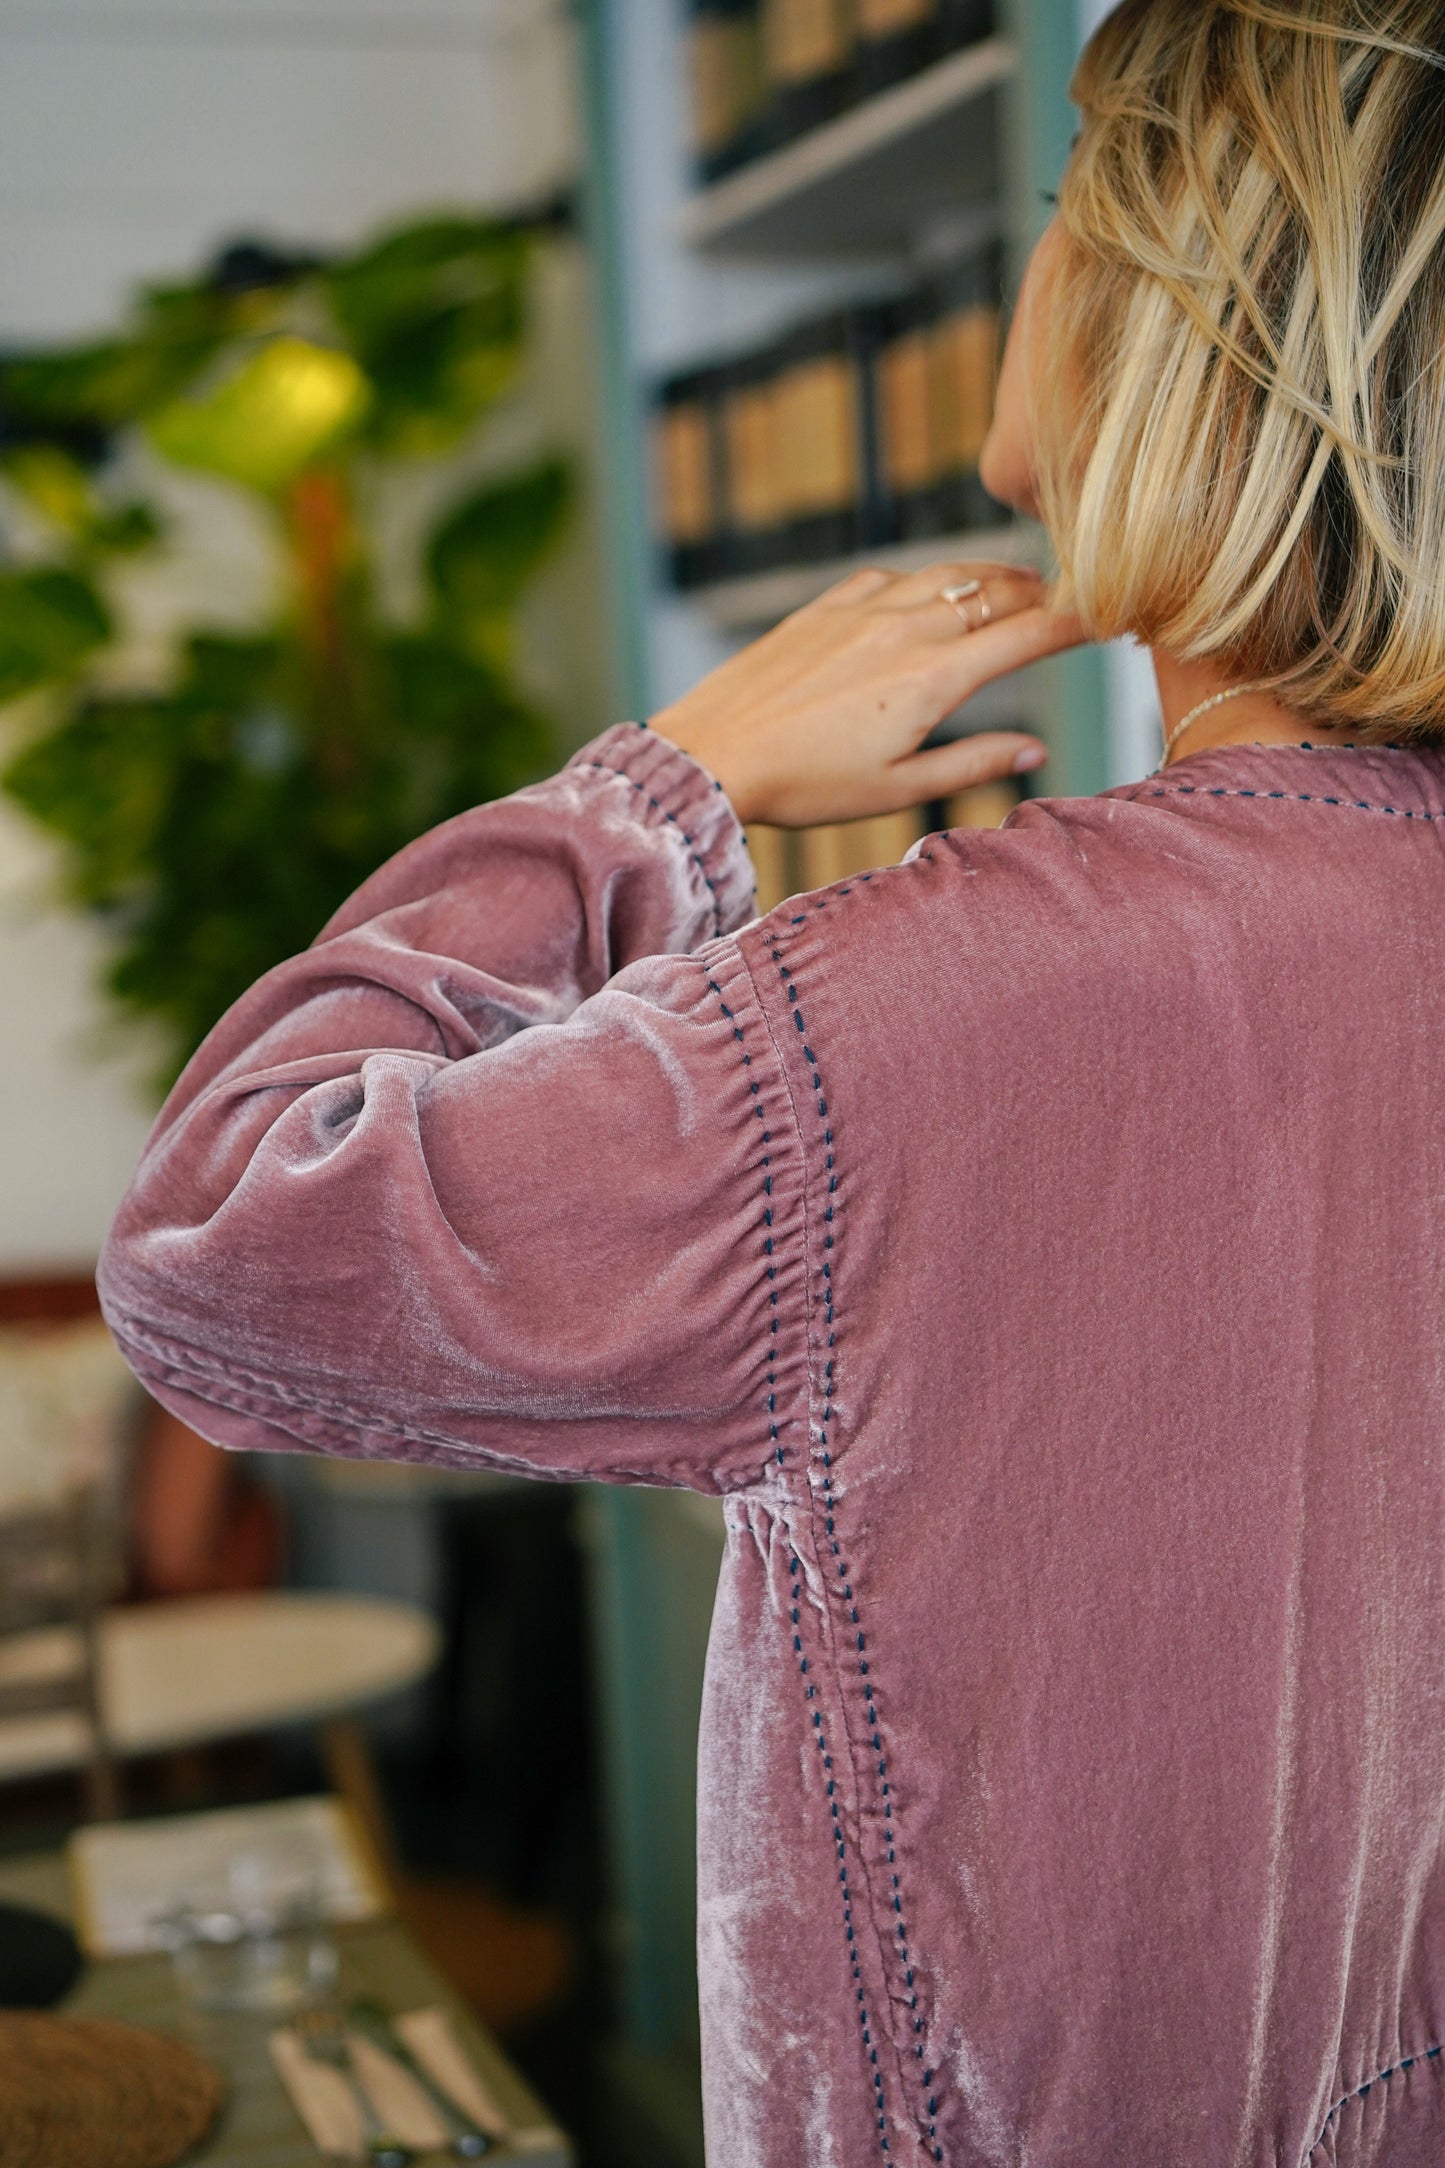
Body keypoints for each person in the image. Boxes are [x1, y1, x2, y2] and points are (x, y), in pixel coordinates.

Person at [99, 1, 1445, 2159]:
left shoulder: (897, 1033)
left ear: (1159, 309)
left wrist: (662, 788)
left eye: (1054, 210)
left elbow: (218, 1251)